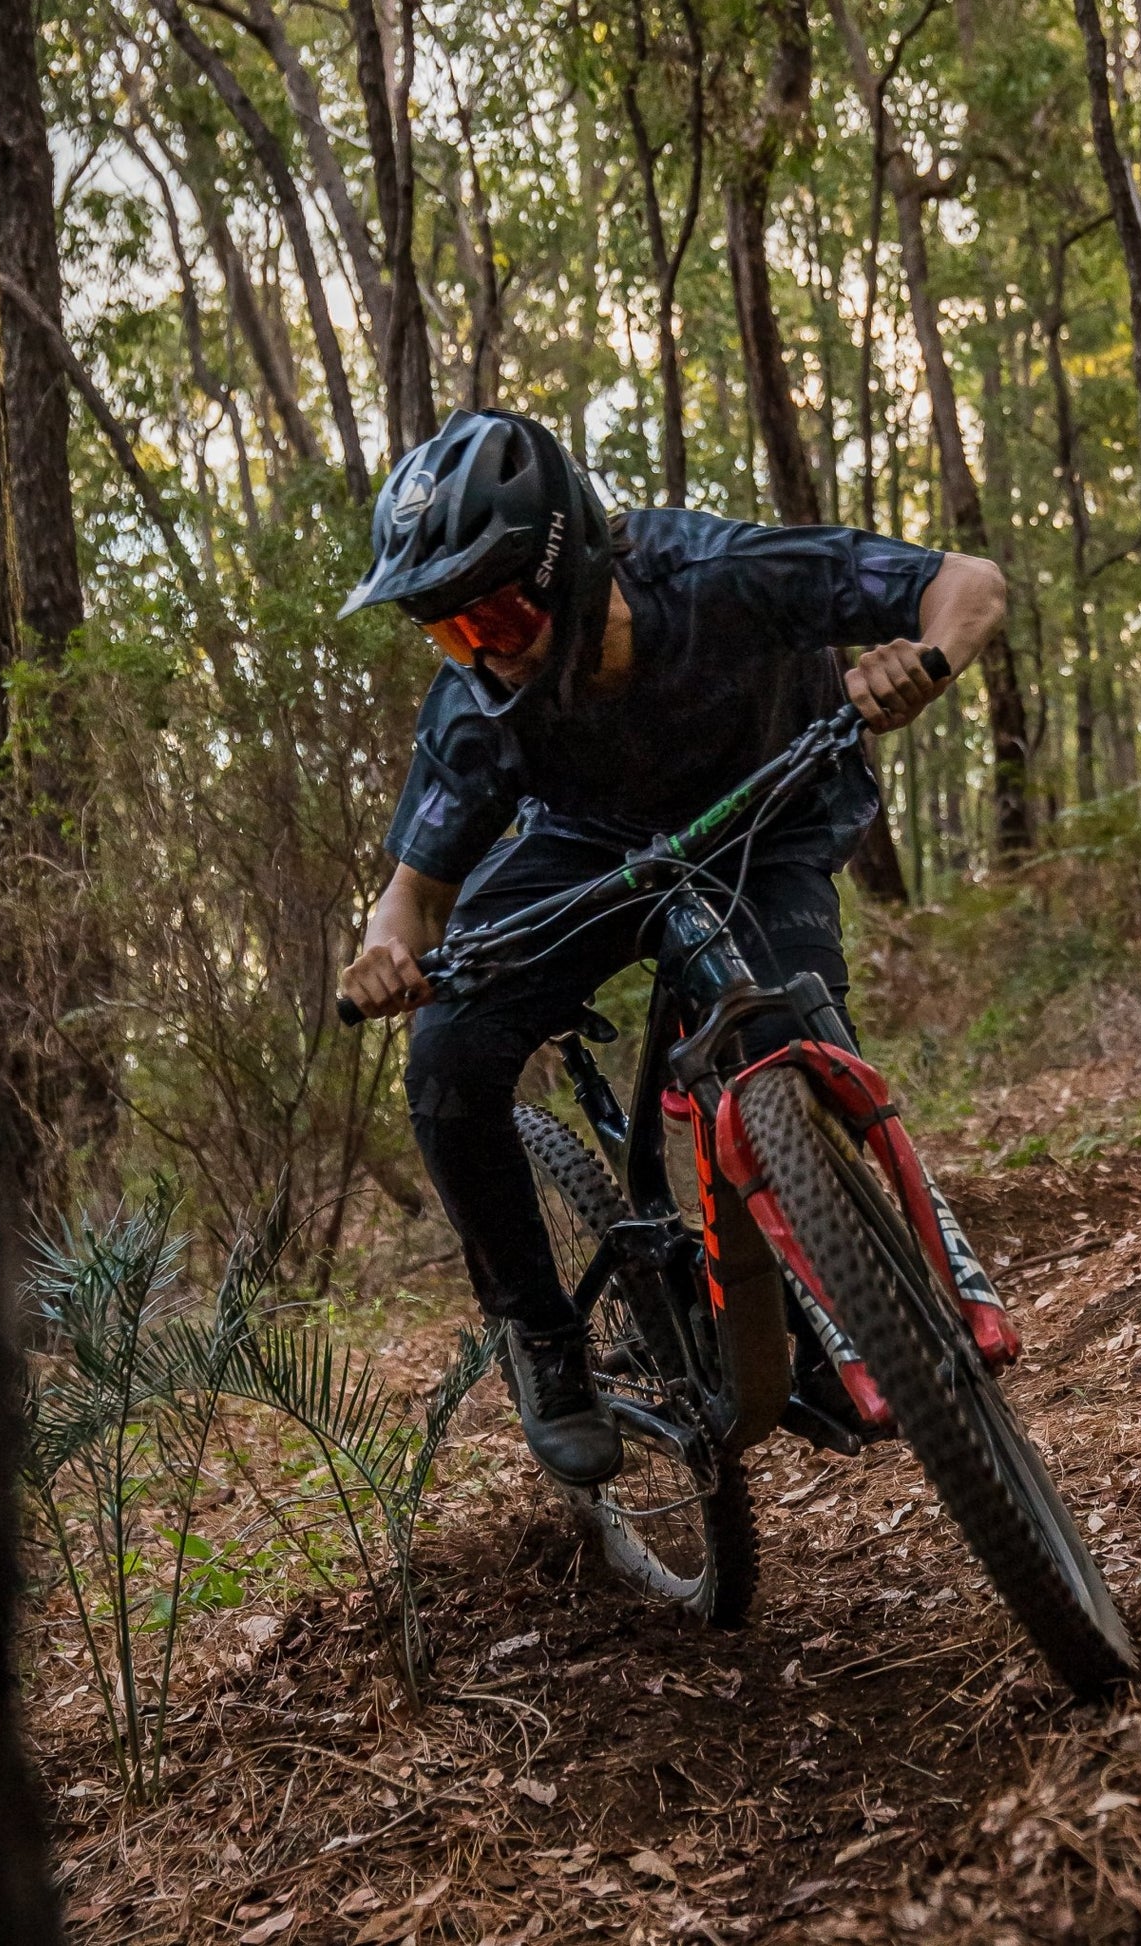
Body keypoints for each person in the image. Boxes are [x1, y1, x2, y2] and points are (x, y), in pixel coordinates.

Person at [336, 409, 1006, 1486]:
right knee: (447, 1059)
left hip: (768, 821)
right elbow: (412, 898)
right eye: (449, 632)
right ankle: (543, 1340)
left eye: (495, 613)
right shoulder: (478, 709)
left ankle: (830, 1301)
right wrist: (384, 953)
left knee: (786, 1042)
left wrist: (922, 662)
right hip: (590, 852)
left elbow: (964, 582)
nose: (483, 650)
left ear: (566, 564)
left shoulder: (716, 574)